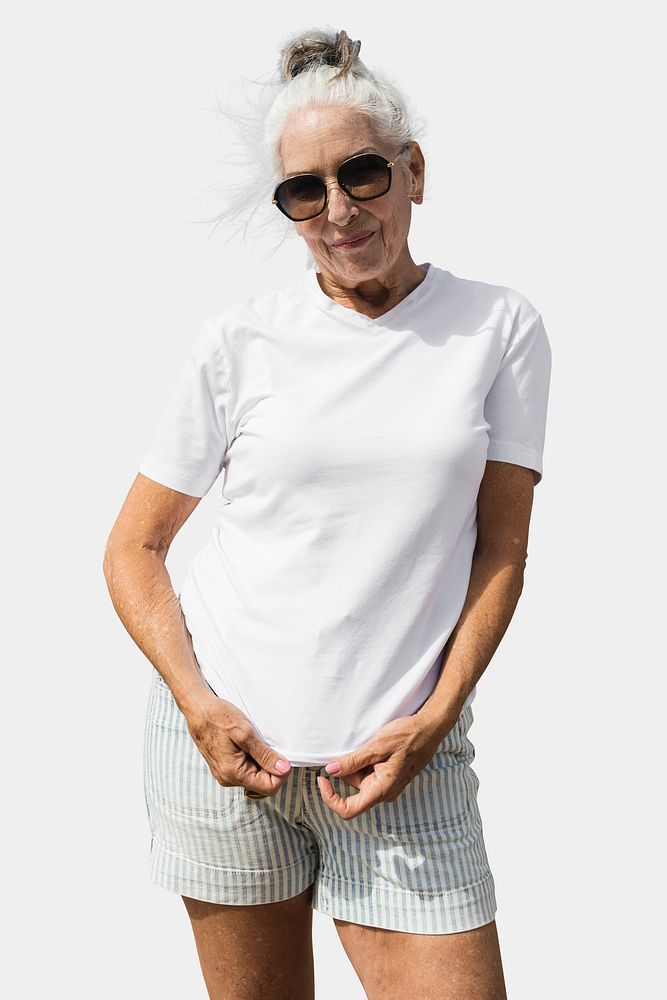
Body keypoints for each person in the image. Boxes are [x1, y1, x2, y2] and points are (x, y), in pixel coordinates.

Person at [103, 26, 551, 1000]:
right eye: (304, 190)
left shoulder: (498, 330)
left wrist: (434, 720)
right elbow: (134, 547)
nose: (338, 210)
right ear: (286, 208)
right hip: (226, 757)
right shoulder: (239, 345)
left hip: (403, 760)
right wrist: (198, 703)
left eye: (361, 173)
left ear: (414, 171)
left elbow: (502, 546)